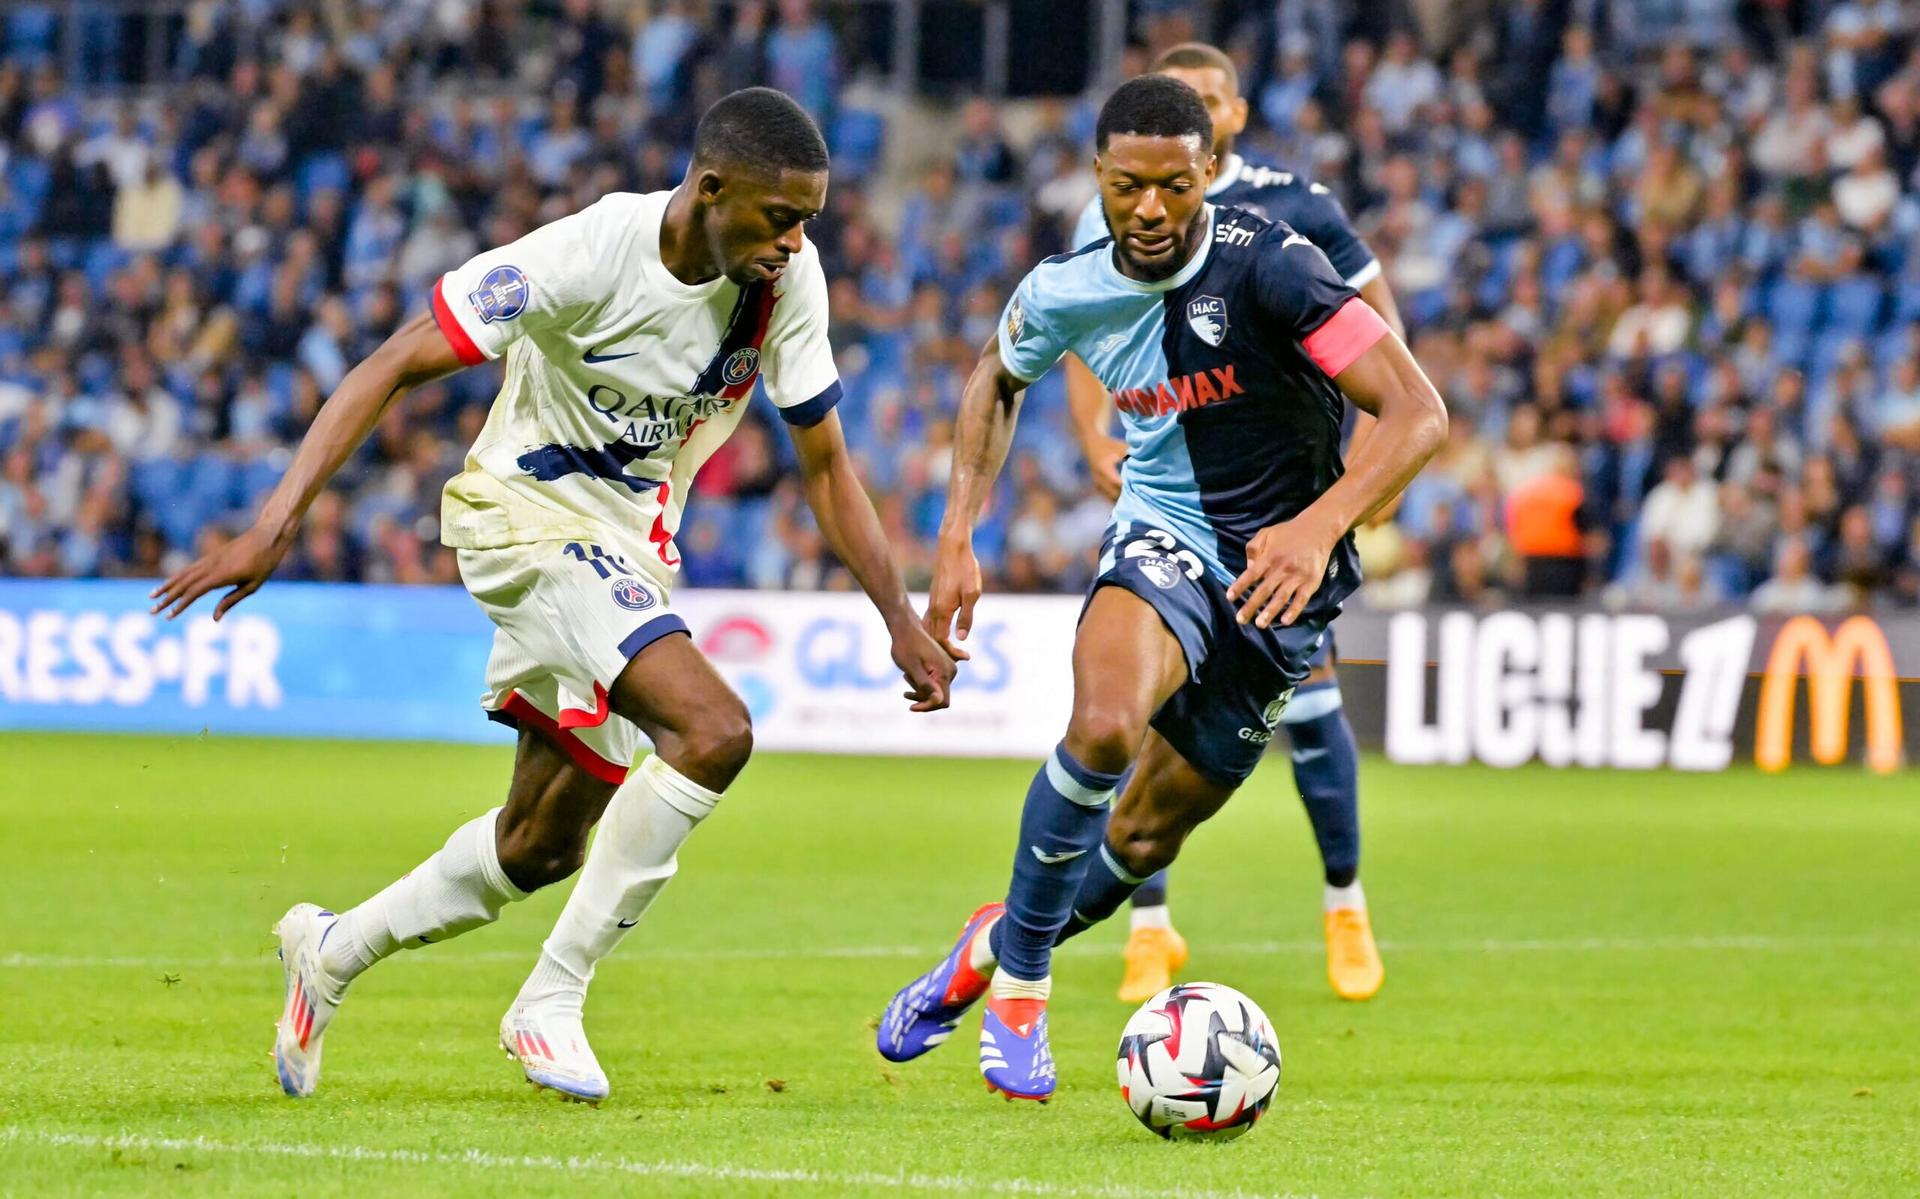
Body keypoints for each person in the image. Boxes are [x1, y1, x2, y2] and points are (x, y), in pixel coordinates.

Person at [150, 88, 956, 1105]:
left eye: (808, 221)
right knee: (712, 730)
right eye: (778, 216)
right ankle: (551, 998)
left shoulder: (784, 284)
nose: (796, 241)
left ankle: (329, 950)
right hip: (519, 516)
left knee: (539, 842)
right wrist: (276, 522)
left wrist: (897, 613)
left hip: (627, 551)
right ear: (710, 189)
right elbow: (400, 357)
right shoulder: (588, 252)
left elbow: (828, 466)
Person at [876, 76, 1447, 1102]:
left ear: (1207, 176)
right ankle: (1022, 989)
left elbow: (1417, 411)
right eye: (1128, 186)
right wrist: (957, 535)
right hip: (1164, 534)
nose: (1150, 210)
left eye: (1175, 187)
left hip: (1286, 581)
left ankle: (995, 937)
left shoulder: (1275, 266)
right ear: (1097, 175)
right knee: (1101, 728)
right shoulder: (1065, 286)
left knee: (1138, 838)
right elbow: (996, 378)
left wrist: (1318, 530)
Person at [1063, 41, 1406, 1004]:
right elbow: (1086, 328)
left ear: (1234, 120)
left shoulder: (1299, 211)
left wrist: (1371, 484)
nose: (1197, 117)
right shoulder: (1134, 206)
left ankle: (1345, 904)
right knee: (1132, 707)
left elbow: (1387, 336)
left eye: (1211, 103)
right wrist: (1094, 432)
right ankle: (1149, 927)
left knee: (1312, 705)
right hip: (1177, 501)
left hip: (1285, 513)